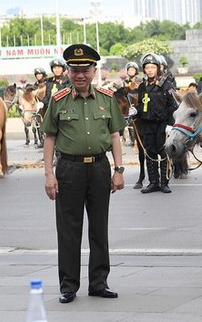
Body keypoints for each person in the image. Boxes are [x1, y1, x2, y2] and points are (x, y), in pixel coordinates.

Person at [41, 43, 126, 304]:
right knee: (68, 230)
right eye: (74, 70)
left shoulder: (106, 98)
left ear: (93, 70)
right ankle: (68, 285)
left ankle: (99, 283)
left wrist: (119, 170)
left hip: (100, 168)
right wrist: (49, 175)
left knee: (99, 228)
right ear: (68, 71)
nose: (80, 75)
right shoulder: (58, 101)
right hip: (69, 169)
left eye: (85, 69)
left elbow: (114, 135)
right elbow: (49, 138)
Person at [134, 53, 178, 194]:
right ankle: (153, 182)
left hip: (163, 125)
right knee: (149, 154)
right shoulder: (142, 87)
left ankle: (164, 183)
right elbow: (141, 105)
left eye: (153, 67)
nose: (150, 70)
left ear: (158, 68)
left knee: (163, 153)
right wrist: (134, 111)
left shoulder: (166, 85)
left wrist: (170, 125)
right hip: (147, 125)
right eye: (147, 67)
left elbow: (173, 106)